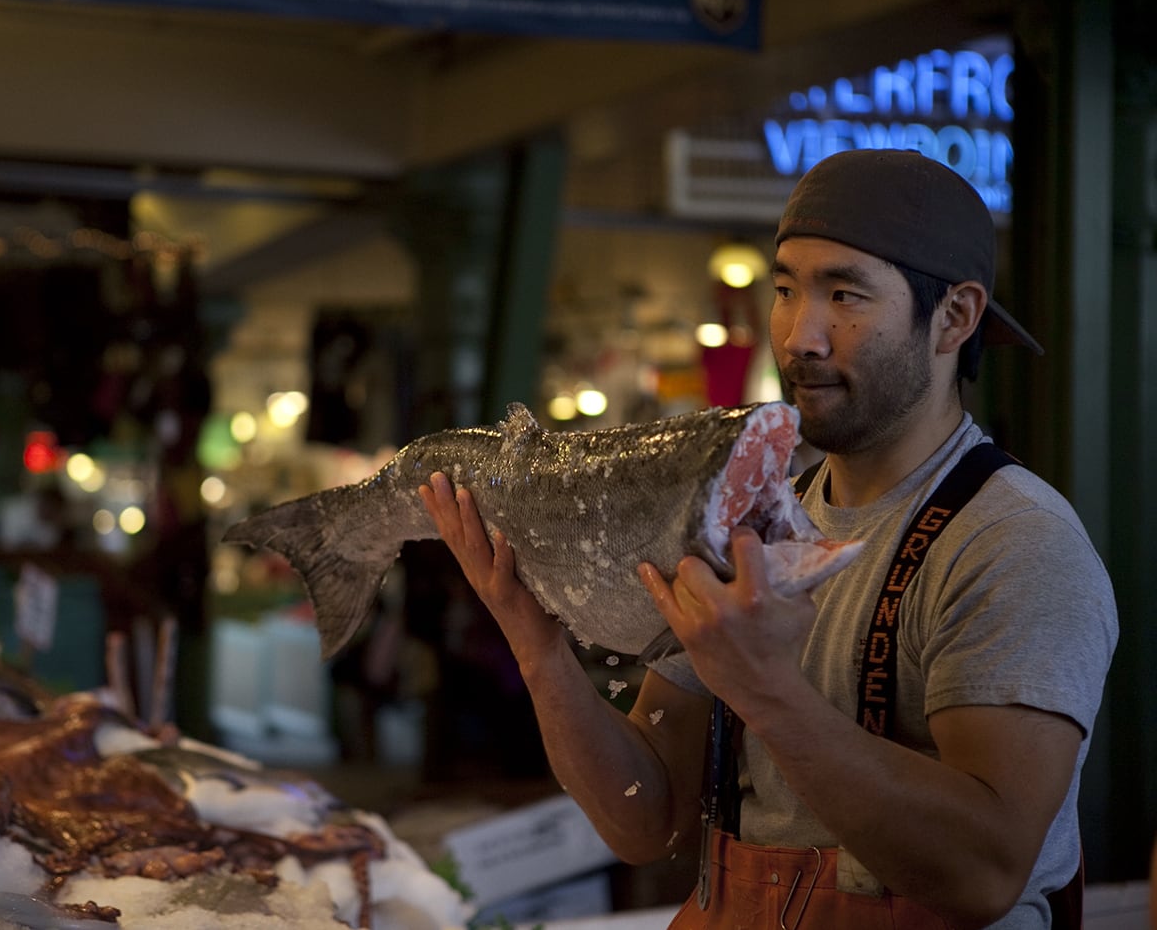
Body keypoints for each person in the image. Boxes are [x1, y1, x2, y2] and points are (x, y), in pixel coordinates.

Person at [418, 148, 1118, 929]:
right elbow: (645, 818)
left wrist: (764, 689)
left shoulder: (1014, 543)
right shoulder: (744, 521)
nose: (799, 335)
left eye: (845, 293)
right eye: (785, 289)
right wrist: (536, 645)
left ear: (954, 317)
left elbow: (985, 870)